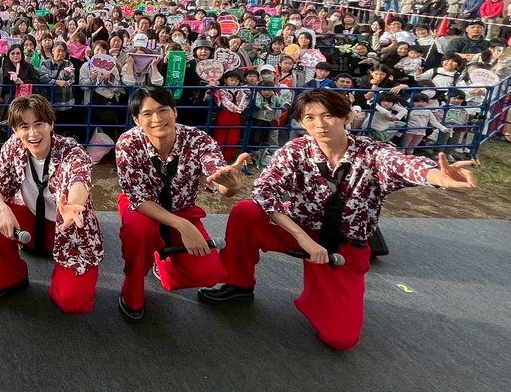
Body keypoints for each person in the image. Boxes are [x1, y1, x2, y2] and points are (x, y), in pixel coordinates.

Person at [198, 88, 476, 350]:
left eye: (328, 115)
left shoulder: (373, 153)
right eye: (310, 118)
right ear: (301, 123)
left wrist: (438, 176)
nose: (320, 124)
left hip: (343, 247)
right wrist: (303, 239)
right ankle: (238, 283)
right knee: (247, 211)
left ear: (346, 117)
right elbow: (264, 191)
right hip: (299, 231)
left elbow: (404, 165)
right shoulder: (295, 151)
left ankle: (320, 296)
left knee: (340, 339)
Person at [113, 85, 247, 322]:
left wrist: (232, 185)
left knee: (209, 273)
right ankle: (132, 286)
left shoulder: (198, 139)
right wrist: (183, 227)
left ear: (174, 112)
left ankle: (162, 264)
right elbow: (137, 197)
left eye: (163, 110)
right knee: (140, 232)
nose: (156, 119)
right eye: (147, 113)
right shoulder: (127, 143)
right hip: (143, 207)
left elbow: (219, 177)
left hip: (182, 209)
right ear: (136, 119)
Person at [0, 93, 104, 313]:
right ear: (16, 130)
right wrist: (4, 209)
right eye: (24, 126)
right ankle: (8, 278)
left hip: (68, 225)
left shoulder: (71, 150)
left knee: (72, 302)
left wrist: (72, 204)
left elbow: (79, 178)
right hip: (31, 221)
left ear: (51, 124)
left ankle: (62, 273)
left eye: (39, 124)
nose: (33, 133)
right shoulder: (12, 147)